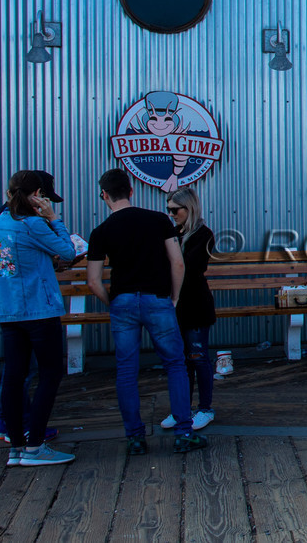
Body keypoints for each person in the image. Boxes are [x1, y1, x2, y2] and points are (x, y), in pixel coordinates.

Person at [85, 168, 207, 455]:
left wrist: (114, 302)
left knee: (127, 370)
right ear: (131, 191)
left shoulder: (100, 232)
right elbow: (178, 263)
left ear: (104, 195)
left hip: (123, 302)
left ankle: (135, 438)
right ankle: (184, 433)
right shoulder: (159, 221)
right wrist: (174, 298)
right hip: (158, 300)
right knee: (175, 364)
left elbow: (93, 281)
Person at [0, 170, 78, 467]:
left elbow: (8, 262)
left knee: (14, 377)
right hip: (39, 309)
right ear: (37, 194)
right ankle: (35, 446)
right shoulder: (34, 223)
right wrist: (54, 218)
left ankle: (16, 448)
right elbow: (68, 250)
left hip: (7, 309)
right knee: (50, 373)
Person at [161, 187, 216, 432]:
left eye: (175, 210)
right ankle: (182, 409)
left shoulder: (204, 234)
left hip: (195, 304)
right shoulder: (173, 233)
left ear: (189, 208)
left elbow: (190, 268)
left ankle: (205, 408)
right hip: (176, 305)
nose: (171, 214)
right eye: (168, 210)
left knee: (198, 357)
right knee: (180, 361)